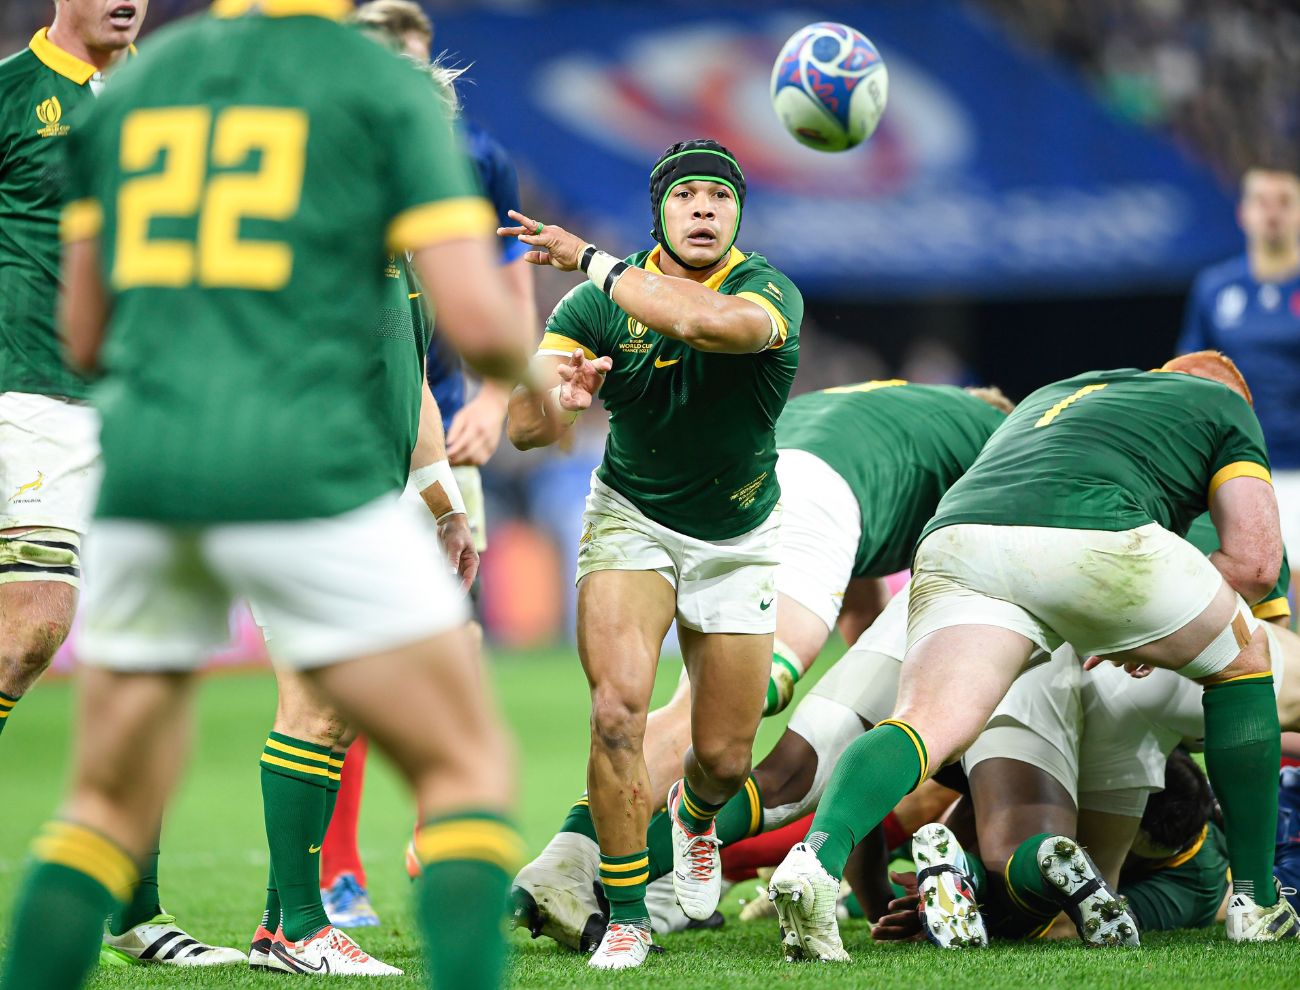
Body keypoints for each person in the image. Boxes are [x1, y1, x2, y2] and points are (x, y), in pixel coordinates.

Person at [0, 0, 547, 987]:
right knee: (464, 762)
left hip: (153, 462)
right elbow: (476, 315)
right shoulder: (382, 92)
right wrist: (539, 383)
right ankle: (301, 928)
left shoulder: (145, 87)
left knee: (103, 802)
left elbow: (83, 334)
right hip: (304, 468)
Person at [769, 352, 1300, 962]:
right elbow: (1256, 567)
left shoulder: (1066, 388)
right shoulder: (1223, 405)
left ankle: (814, 861)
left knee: (922, 723)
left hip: (956, 540)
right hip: (1094, 553)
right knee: (1246, 657)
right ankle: (1255, 901)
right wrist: (1147, 623)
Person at [511, 379, 1011, 949]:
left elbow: (865, 619)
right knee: (734, 704)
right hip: (812, 501)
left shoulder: (895, 415)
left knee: (699, 703)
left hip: (733, 481)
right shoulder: (996, 442)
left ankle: (581, 860)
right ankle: (583, 864)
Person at [503, 138, 801, 968]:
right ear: (660, 212)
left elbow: (706, 323)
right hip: (631, 517)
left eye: (719, 196)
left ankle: (698, 819)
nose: (703, 208)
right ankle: (627, 914)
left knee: (722, 757)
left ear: (738, 213)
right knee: (617, 713)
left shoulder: (766, 290)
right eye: (686, 195)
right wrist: (556, 402)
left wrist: (589, 259)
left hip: (739, 537)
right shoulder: (592, 310)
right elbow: (522, 432)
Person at [0, 0, 243, 968]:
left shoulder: (179, 97)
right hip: (35, 397)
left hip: (152, 406)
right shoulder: (13, 95)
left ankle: (136, 914)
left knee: (150, 658)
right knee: (29, 630)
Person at [317, 0, 538, 928]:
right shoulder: (331, 186)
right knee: (339, 666)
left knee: (451, 646)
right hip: (333, 448)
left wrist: (488, 406)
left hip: (433, 433)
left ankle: (433, 842)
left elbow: (497, 305)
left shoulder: (476, 165)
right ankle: (328, 880)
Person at [1179, 169, 1300, 573]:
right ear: (1242, 213)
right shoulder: (1215, 287)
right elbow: (1193, 374)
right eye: (1261, 201)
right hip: (1241, 464)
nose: (1273, 213)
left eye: (1284, 201)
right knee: (1250, 586)